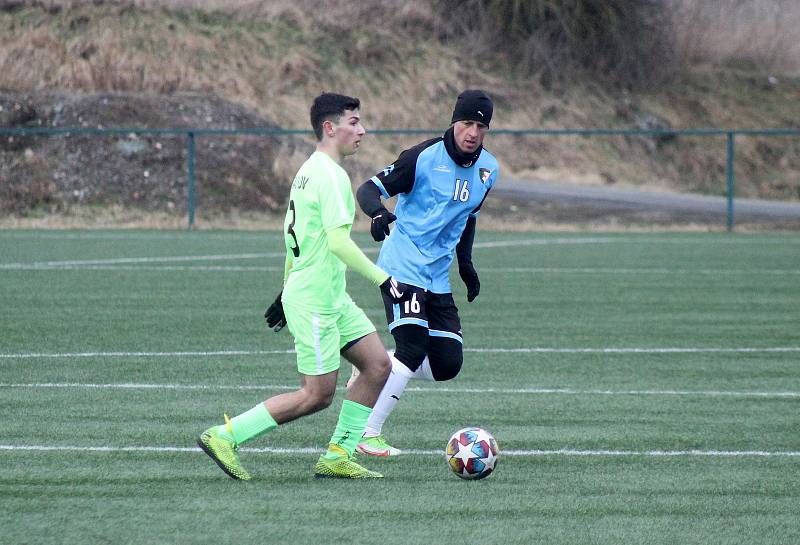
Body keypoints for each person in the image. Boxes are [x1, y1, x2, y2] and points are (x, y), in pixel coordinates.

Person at [197, 92, 405, 480]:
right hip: (314, 301)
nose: (362, 130)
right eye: (353, 122)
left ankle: (337, 455)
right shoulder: (330, 175)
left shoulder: (310, 169)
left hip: (328, 296)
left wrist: (285, 284)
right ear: (330, 128)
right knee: (317, 395)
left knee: (378, 366)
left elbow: (297, 236)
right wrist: (384, 279)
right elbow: (338, 242)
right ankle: (225, 435)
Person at [350, 89, 499, 457]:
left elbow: (468, 219)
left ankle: (376, 368)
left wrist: (466, 264)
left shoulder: (488, 170)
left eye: (481, 126)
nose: (473, 133)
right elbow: (368, 188)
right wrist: (379, 213)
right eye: (467, 123)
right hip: (401, 265)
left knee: (448, 363)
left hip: (437, 275)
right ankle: (367, 433)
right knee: (413, 347)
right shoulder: (421, 158)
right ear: (454, 122)